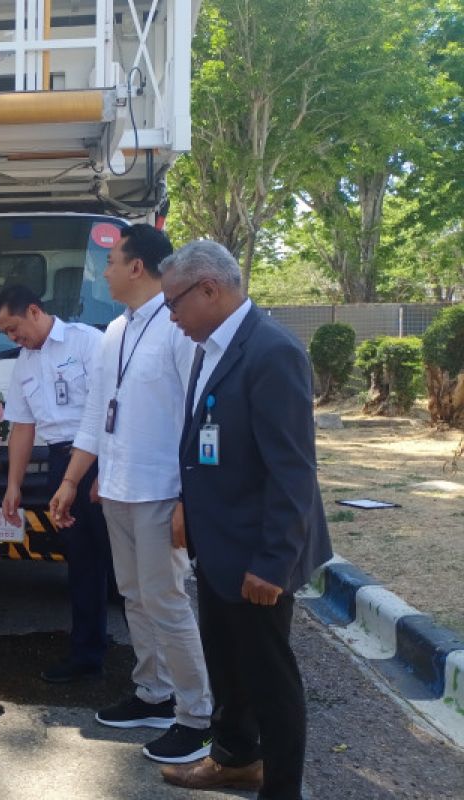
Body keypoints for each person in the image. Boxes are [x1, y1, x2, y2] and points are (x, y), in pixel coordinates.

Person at [156, 241, 331, 798]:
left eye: (174, 304)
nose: (172, 318)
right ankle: (234, 758)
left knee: (269, 680)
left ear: (209, 289)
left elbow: (292, 471)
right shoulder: (214, 347)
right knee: (227, 666)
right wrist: (188, 508)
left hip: (258, 554)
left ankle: (281, 790)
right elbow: (207, 446)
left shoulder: (271, 351)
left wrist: (274, 564)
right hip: (219, 543)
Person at [50, 224, 213, 765]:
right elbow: (99, 413)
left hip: (162, 490)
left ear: (137, 266)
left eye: (111, 262)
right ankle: (154, 694)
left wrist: (191, 500)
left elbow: (198, 416)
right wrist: (74, 480)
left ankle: (197, 716)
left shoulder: (177, 327)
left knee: (166, 601)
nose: (105, 271)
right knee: (134, 596)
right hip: (116, 489)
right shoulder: (115, 331)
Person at [0, 285, 112, 684]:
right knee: (82, 560)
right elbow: (23, 428)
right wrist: (14, 485)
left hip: (101, 458)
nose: (12, 337)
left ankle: (154, 664)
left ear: (34, 311)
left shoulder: (88, 343)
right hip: (62, 462)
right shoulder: (24, 364)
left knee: (122, 560)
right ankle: (87, 653)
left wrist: (96, 473)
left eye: (13, 327)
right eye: (5, 333)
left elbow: (107, 410)